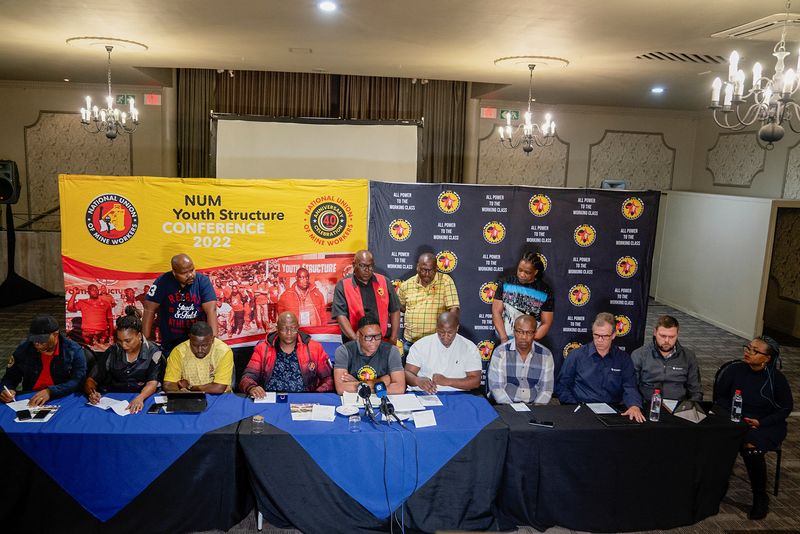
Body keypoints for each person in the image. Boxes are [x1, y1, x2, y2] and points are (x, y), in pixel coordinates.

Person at [716, 336, 793, 520]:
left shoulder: (776, 378)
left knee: (751, 447)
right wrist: (737, 416)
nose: (747, 352)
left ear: (767, 358)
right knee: (715, 439)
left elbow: (785, 408)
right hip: (735, 418)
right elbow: (721, 398)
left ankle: (760, 497)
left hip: (766, 424)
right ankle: (718, 486)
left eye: (754, 351)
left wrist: (761, 422)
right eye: (748, 347)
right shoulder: (734, 370)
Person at [555, 312, 645, 422]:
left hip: (613, 410)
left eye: (605, 336)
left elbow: (630, 387)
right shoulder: (577, 355)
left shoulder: (623, 359)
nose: (600, 340)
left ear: (613, 335)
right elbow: (562, 386)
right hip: (581, 409)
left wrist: (634, 405)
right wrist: (574, 405)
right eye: (596, 335)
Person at [84, 307, 163, 414]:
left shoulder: (154, 352)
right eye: (120, 341)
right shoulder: (113, 351)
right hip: (115, 399)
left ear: (139, 335)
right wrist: (92, 393)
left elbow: (152, 383)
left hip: (143, 398)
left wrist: (140, 398)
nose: (123, 345)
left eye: (128, 341)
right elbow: (91, 380)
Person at [239, 311, 333, 396]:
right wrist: (252, 387)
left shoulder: (314, 348)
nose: (289, 333)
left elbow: (329, 378)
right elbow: (247, 377)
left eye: (293, 328)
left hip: (303, 399)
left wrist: (315, 395)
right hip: (270, 398)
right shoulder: (263, 348)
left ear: (298, 327)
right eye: (284, 329)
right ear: (277, 329)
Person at [1, 315, 87, 406]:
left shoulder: (73, 350)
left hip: (62, 396)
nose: (37, 344)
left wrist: (50, 391)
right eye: (34, 340)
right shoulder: (24, 349)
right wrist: (6, 389)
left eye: (42, 340)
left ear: (55, 334)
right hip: (31, 396)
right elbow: (10, 377)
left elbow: (78, 381)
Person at [142, 253, 218, 356]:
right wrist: (145, 341)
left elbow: (211, 310)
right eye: (184, 273)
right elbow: (149, 309)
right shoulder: (163, 281)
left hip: (197, 344)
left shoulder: (202, 281)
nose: (190, 275)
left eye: (192, 270)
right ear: (174, 273)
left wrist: (214, 343)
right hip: (171, 344)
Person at [332, 249, 401, 345]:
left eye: (370, 266)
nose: (367, 270)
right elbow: (340, 315)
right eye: (362, 266)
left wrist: (393, 337)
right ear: (354, 265)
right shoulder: (343, 285)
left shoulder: (384, 282)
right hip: (354, 342)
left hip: (382, 341)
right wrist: (355, 340)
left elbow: (395, 309)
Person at [398, 252, 460, 353]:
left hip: (437, 342)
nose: (427, 274)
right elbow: (400, 306)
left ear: (436, 269)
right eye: (423, 270)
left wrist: (447, 332)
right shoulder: (406, 285)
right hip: (412, 342)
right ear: (417, 267)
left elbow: (454, 308)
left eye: (430, 270)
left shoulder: (445, 281)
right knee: (409, 369)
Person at [630, 314, 702, 401]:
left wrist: (689, 409)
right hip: (647, 405)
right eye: (663, 336)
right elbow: (631, 387)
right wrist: (636, 405)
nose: (667, 341)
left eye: (671, 337)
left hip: (678, 407)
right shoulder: (639, 355)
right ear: (655, 332)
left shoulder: (688, 356)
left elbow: (696, 391)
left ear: (677, 334)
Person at [405, 312, 481, 393]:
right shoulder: (421, 345)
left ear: (457, 328)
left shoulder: (469, 347)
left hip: (457, 394)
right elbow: (407, 373)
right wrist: (417, 381)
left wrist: (447, 381)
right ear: (437, 328)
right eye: (441, 332)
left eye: (450, 333)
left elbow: (475, 381)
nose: (445, 336)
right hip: (423, 393)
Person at [487, 315, 554, 404]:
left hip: (534, 405)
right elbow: (496, 388)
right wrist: (512, 409)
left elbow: (546, 389)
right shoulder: (500, 352)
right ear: (514, 332)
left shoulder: (546, 355)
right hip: (505, 405)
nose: (524, 337)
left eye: (529, 332)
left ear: (535, 333)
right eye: (520, 332)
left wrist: (537, 409)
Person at [333, 314, 405, 395]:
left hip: (380, 398)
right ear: (358, 335)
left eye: (377, 336)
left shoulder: (392, 351)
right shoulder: (344, 351)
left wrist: (358, 384)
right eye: (368, 337)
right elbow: (341, 388)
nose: (373, 341)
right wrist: (381, 382)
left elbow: (399, 388)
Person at [492, 252, 554, 343]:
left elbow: (546, 323)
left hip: (530, 342)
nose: (522, 274)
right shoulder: (505, 283)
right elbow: (496, 312)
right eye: (520, 270)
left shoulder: (544, 291)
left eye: (527, 272)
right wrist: (504, 338)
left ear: (535, 272)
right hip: (504, 338)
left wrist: (527, 341)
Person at [162, 321, 233, 394]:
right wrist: (182, 393)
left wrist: (191, 388)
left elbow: (219, 388)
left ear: (212, 339)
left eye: (204, 345)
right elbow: (168, 385)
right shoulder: (179, 351)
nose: (200, 350)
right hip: (190, 399)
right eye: (195, 345)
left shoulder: (223, 351)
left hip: (219, 397)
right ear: (190, 338)